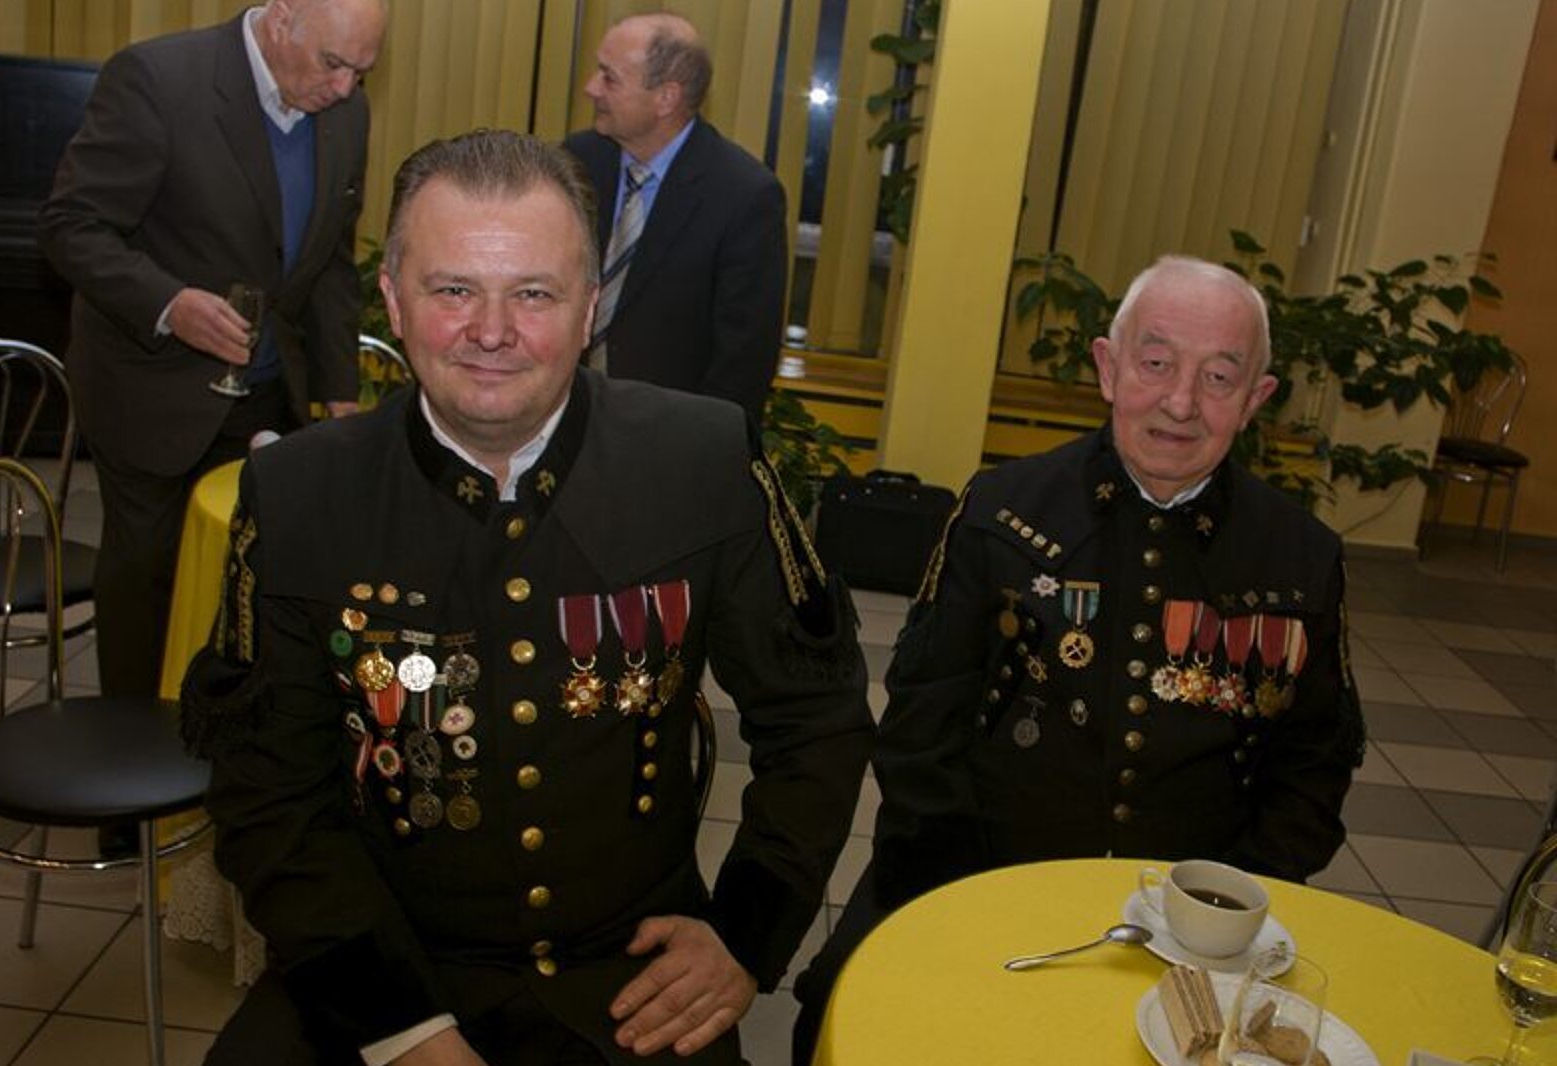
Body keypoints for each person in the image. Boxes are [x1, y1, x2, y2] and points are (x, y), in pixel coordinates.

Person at [185, 129, 873, 1066]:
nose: (492, 331)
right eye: (453, 289)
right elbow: (267, 791)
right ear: (394, 299)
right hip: (379, 962)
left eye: (534, 294)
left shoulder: (703, 461)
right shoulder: (301, 495)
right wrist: (402, 1029)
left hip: (630, 977)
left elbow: (817, 718)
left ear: (590, 308)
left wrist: (746, 933)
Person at [791, 255, 1366, 1063]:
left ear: (1255, 399)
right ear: (1108, 367)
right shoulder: (1000, 512)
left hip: (1202, 922)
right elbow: (921, 726)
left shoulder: (1301, 557)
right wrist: (963, 895)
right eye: (1156, 363)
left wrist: (1226, 909)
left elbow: (1316, 763)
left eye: (1218, 377)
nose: (1180, 402)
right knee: (838, 1008)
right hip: (975, 873)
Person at [39, 0, 388, 700]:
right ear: (282, 17)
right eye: (333, 63)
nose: (345, 88)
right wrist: (170, 305)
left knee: (252, 589)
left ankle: (227, 742)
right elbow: (72, 227)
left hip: (266, 393)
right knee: (149, 583)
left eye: (361, 70)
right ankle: (130, 753)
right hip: (152, 392)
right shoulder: (159, 80)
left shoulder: (346, 112)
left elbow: (328, 263)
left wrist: (338, 393)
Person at [563, 13, 787, 424]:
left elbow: (744, 358)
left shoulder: (744, 195)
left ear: (666, 98)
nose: (591, 88)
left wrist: (700, 447)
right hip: (562, 415)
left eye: (609, 77)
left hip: (665, 430)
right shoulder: (577, 160)